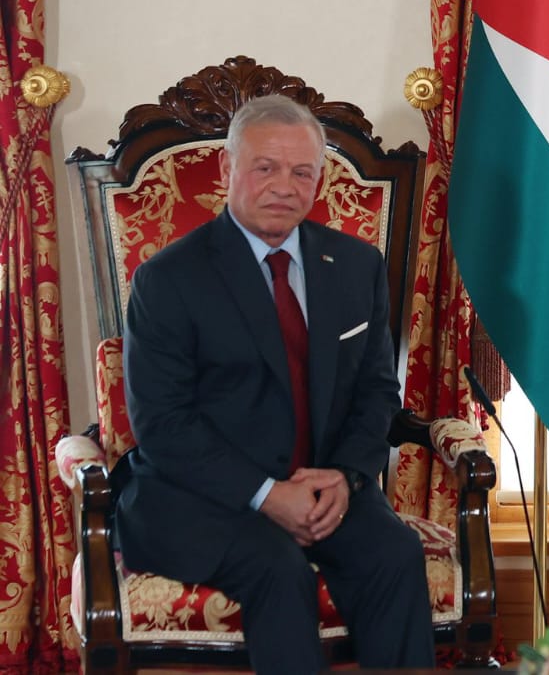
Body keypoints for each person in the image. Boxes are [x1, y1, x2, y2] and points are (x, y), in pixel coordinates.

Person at [118, 95, 433, 673]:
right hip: (201, 497)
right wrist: (266, 494)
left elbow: (376, 391)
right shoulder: (167, 279)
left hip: (321, 483)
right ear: (228, 168)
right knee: (278, 569)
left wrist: (347, 476)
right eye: (266, 167)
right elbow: (162, 424)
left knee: (394, 553)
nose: (284, 186)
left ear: (319, 179)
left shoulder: (357, 265)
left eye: (302, 172)